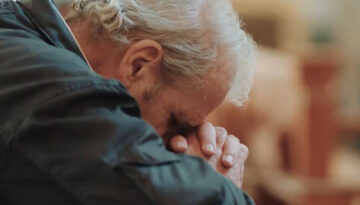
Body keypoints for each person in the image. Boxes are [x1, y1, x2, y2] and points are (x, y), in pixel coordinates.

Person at [0, 0, 255, 204]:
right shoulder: (55, 88)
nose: (179, 143)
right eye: (176, 122)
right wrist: (219, 186)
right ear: (138, 64)